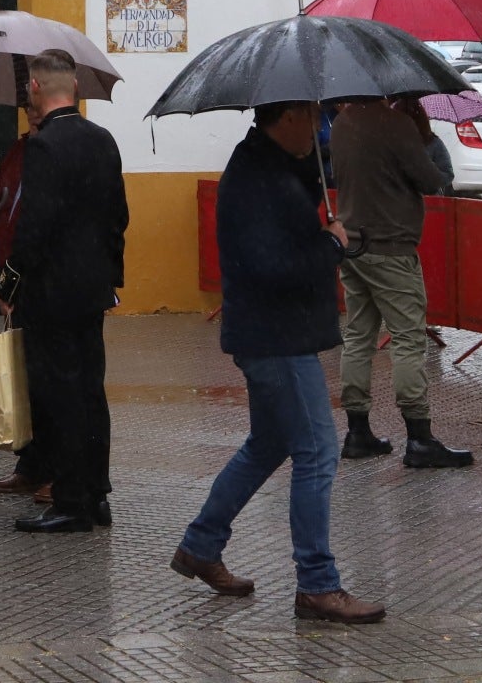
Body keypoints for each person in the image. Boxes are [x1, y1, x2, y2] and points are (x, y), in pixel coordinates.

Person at [173, 101, 383, 624]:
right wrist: (330, 246)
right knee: (317, 451)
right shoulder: (255, 179)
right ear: (286, 117)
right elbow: (272, 267)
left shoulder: (274, 165)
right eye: (311, 117)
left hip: (272, 332)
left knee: (268, 444)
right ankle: (317, 584)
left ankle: (200, 545)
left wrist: (313, 182)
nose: (318, 127)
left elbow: (289, 226)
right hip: (277, 337)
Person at [2, 49, 129, 534]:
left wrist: (10, 280)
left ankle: (71, 501)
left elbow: (35, 226)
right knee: (90, 390)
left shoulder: (45, 147)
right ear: (74, 86)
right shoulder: (102, 140)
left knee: (59, 393)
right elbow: (119, 217)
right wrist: (106, 274)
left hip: (52, 291)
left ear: (34, 88)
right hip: (91, 288)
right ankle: (96, 494)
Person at [326, 97, 472, 467]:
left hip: (353, 244)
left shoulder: (342, 123)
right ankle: (419, 438)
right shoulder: (395, 125)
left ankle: (357, 431)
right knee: (408, 339)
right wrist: (421, 136)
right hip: (391, 246)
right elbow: (431, 180)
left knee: (358, 337)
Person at [0, 60, 47, 499]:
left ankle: (57, 468)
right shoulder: (20, 151)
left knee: (48, 380)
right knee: (25, 375)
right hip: (16, 275)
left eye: (35, 104)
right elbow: (10, 212)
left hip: (43, 281)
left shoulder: (57, 151)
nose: (31, 113)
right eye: (26, 107)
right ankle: (31, 463)